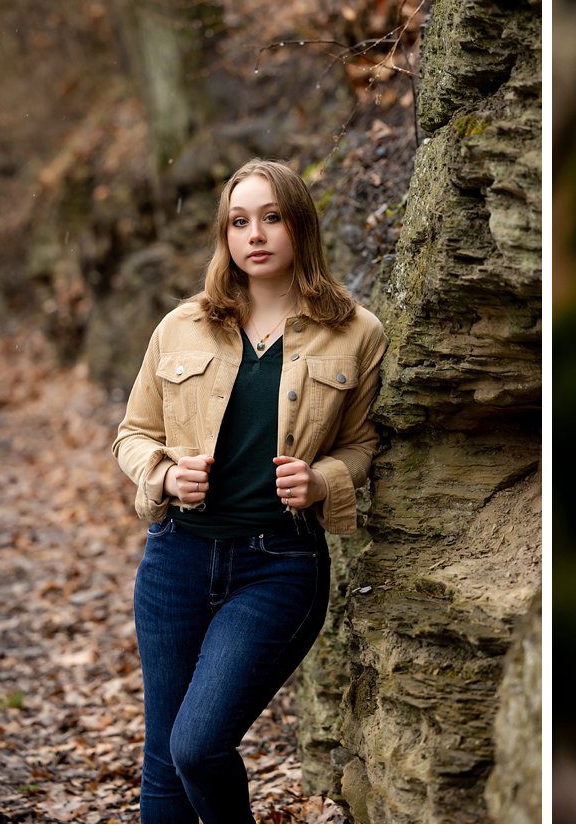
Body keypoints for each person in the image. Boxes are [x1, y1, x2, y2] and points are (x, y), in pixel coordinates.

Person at [113, 159, 385, 823]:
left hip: (278, 566)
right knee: (163, 759)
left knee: (199, 745)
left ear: (300, 226)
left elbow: (364, 446)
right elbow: (132, 435)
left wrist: (322, 479)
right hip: (175, 560)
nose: (254, 234)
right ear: (224, 235)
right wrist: (164, 474)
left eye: (271, 217)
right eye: (239, 221)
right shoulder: (181, 326)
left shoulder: (356, 332)